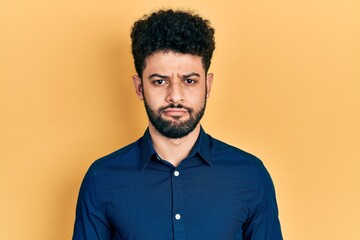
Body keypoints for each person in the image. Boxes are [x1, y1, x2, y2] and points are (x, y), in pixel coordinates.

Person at [73, 9, 282, 240]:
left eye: (189, 81)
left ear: (208, 85)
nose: (175, 96)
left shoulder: (250, 175)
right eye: (160, 81)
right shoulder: (101, 179)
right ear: (140, 87)